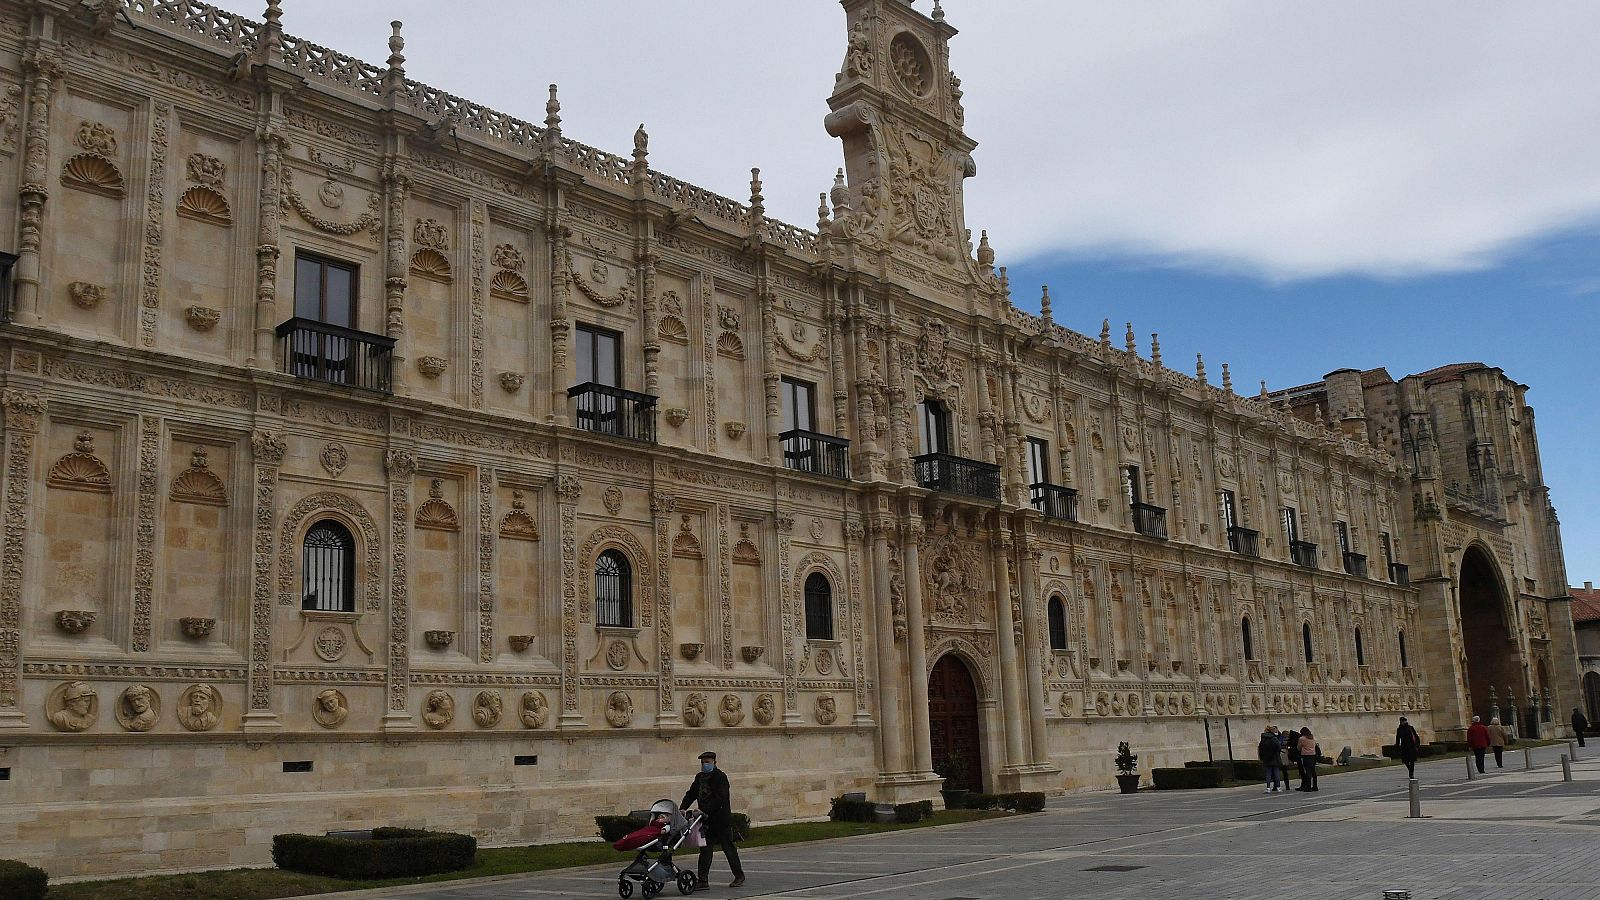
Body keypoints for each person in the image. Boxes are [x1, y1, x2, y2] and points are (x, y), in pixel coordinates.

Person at [680, 750, 745, 890]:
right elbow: (691, 794)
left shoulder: (720, 777)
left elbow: (719, 798)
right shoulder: (699, 778)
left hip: (721, 820)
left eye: (707, 762)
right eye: (702, 763)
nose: (704, 765)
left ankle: (739, 875)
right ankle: (703, 880)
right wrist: (683, 808)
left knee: (728, 848)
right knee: (705, 850)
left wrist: (705, 810)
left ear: (714, 762)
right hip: (706, 821)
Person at [1258, 726, 1283, 793]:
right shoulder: (1273, 738)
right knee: (1276, 773)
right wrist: (1277, 751)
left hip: (1266, 758)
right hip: (1274, 756)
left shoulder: (1263, 739)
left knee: (1268, 773)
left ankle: (1268, 788)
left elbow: (1260, 748)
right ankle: (1278, 787)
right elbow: (1278, 746)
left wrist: (1262, 757)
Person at [1296, 727, 1319, 792]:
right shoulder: (1312, 737)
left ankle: (1308, 787)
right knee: (1313, 771)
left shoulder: (1302, 738)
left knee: (1307, 771)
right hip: (1313, 755)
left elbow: (1299, 747)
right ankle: (1315, 786)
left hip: (1306, 756)